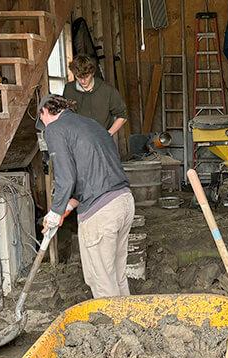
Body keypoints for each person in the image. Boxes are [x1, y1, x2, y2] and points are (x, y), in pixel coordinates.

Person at [37, 93, 135, 298]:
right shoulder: (91, 125)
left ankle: (113, 327)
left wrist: (54, 212)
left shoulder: (54, 129)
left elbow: (66, 178)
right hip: (123, 202)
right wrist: (68, 207)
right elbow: (90, 174)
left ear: (44, 111)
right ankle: (129, 323)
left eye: (42, 121)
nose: (44, 128)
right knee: (116, 275)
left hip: (101, 213)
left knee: (101, 279)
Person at [62, 54, 128, 136]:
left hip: (101, 139)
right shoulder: (69, 89)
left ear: (92, 73)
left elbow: (123, 115)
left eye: (86, 76)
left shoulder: (107, 90)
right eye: (79, 77)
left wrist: (108, 134)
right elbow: (64, 115)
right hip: (77, 139)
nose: (83, 81)